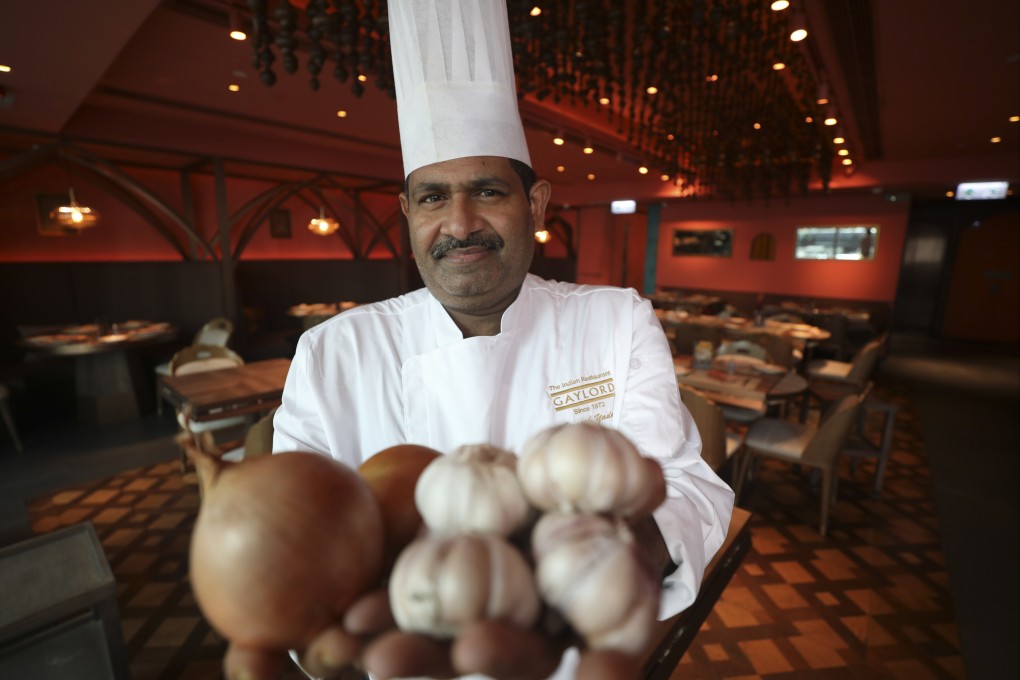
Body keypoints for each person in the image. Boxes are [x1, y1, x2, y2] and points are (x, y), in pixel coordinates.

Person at [224, 2, 734, 679]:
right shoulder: (333, 350)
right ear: (407, 215)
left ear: (538, 205)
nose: (459, 223)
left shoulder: (616, 320)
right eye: (432, 198)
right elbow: (299, 536)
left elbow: (684, 488)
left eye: (488, 190)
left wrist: (578, 581)